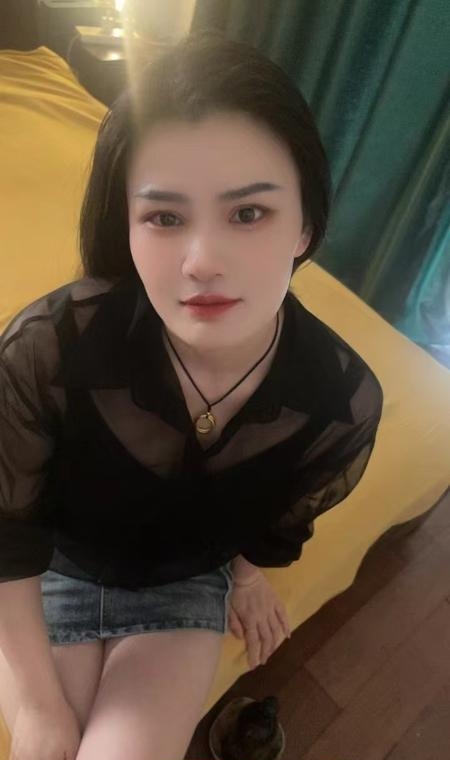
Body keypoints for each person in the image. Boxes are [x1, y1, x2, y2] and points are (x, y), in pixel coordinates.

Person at [0, 30, 383, 760]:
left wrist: (246, 577)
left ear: (305, 225)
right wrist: (42, 712)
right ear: (127, 226)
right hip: (48, 570)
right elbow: (6, 536)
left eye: (248, 213)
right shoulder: (46, 349)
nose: (202, 262)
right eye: (165, 217)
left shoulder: (339, 403)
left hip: (180, 587)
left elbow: (269, 513)